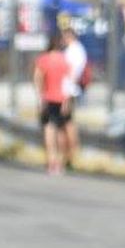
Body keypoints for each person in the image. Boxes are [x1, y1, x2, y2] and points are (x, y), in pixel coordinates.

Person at [35, 32, 71, 175]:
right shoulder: (65, 61)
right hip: (62, 99)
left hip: (48, 98)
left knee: (49, 131)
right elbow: (68, 83)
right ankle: (61, 163)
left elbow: (37, 78)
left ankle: (52, 161)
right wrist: (66, 101)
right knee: (61, 131)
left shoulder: (43, 60)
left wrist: (40, 96)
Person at [61, 28, 88, 170]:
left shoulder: (74, 51)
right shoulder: (76, 50)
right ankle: (68, 156)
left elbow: (71, 73)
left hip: (68, 91)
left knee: (67, 123)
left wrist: (66, 93)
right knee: (66, 124)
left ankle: (71, 155)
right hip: (69, 90)